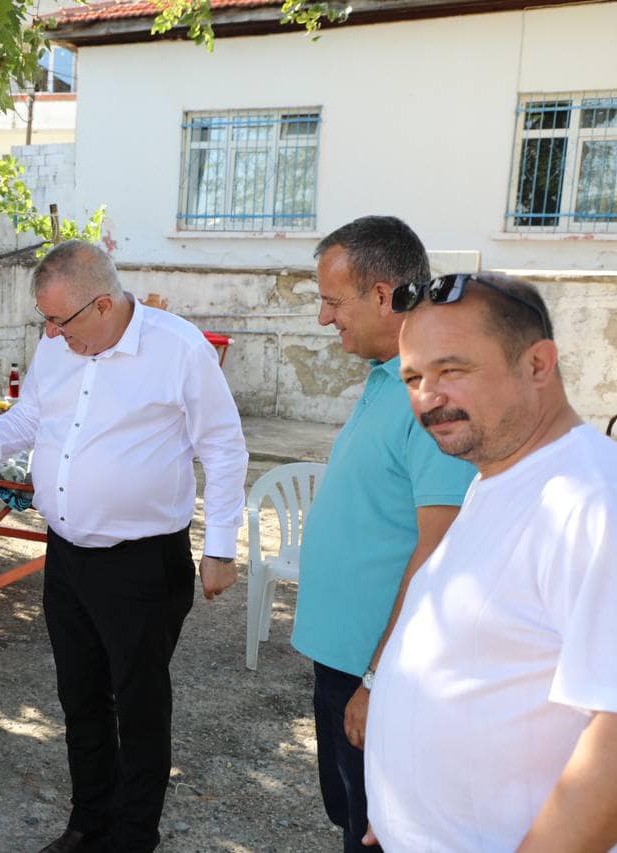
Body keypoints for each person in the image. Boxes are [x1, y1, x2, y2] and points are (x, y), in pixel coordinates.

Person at [0, 240, 248, 852]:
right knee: (80, 697)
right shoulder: (58, 346)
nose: (49, 333)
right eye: (43, 320)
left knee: (140, 704)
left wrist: (221, 549)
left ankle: (132, 837)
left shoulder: (178, 349)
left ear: (103, 304)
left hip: (143, 562)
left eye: (59, 320)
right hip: (68, 556)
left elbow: (224, 450)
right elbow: (27, 420)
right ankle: (87, 820)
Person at [364, 273, 617, 851]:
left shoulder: (590, 501)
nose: (428, 397)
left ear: (538, 364)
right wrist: (406, 804)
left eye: (452, 370)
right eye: (413, 378)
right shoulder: (499, 476)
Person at [289, 217, 476, 853]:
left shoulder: (438, 393)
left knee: (381, 833)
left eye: (332, 301)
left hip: (381, 669)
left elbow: (440, 550)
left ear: (381, 294)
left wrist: (377, 680)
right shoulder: (387, 379)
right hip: (347, 659)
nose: (323, 318)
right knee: (350, 815)